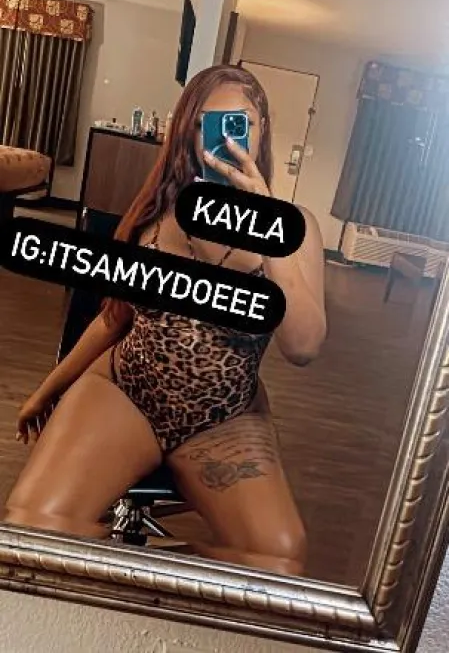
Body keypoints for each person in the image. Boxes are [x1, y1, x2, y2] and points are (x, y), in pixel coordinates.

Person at [4, 64, 327, 576]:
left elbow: (304, 346)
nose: (222, 138)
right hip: (125, 391)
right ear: (189, 133)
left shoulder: (297, 228)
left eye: (239, 123)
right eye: (206, 124)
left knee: (277, 560)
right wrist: (45, 392)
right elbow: (113, 320)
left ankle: (144, 574)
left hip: (221, 417)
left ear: (262, 127)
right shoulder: (158, 210)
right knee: (33, 524)